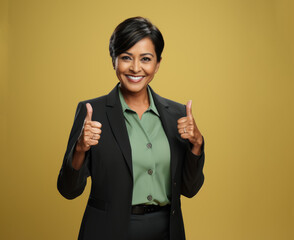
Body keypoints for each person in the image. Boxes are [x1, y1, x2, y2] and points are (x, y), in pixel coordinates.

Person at [57, 16, 205, 240]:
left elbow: (189, 189)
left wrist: (197, 145)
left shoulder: (178, 115)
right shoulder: (92, 112)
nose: (136, 68)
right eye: (126, 57)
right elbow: (68, 190)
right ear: (114, 60)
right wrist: (80, 148)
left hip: (166, 230)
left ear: (157, 63)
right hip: (108, 231)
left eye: (145, 59)